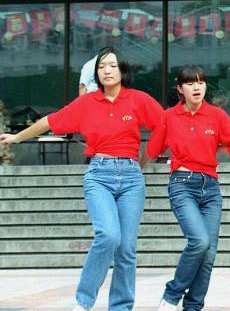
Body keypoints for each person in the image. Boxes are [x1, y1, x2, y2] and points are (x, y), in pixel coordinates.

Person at [0, 46, 164, 311]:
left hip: (132, 178)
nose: (107, 70)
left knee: (126, 249)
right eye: (101, 67)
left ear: (122, 70)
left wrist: (145, 159)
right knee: (109, 236)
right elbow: (50, 121)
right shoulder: (87, 102)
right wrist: (18, 137)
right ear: (95, 74)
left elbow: (164, 126)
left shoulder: (138, 100)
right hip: (99, 175)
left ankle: (121, 307)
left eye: (112, 65)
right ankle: (84, 301)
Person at [142, 65, 230, 311]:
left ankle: (193, 306)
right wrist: (134, 173)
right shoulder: (169, 117)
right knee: (200, 241)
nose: (197, 87)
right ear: (180, 88)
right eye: (191, 83)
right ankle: (172, 295)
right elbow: (151, 151)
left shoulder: (216, 115)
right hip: (182, 186)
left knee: (209, 254)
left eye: (201, 82)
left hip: (211, 189)